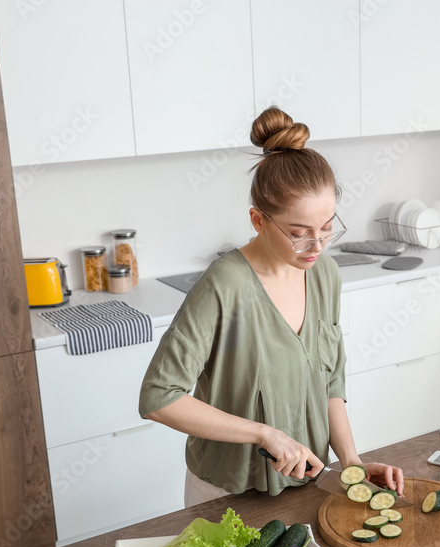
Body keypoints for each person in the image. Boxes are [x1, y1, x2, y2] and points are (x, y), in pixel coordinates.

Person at [140, 106, 405, 507]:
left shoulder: (325, 274)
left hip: (310, 483)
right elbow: (159, 398)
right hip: (227, 492)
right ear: (258, 220)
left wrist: (352, 464)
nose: (316, 246)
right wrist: (264, 434)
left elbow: (329, 382)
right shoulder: (225, 285)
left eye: (328, 229)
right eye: (299, 234)